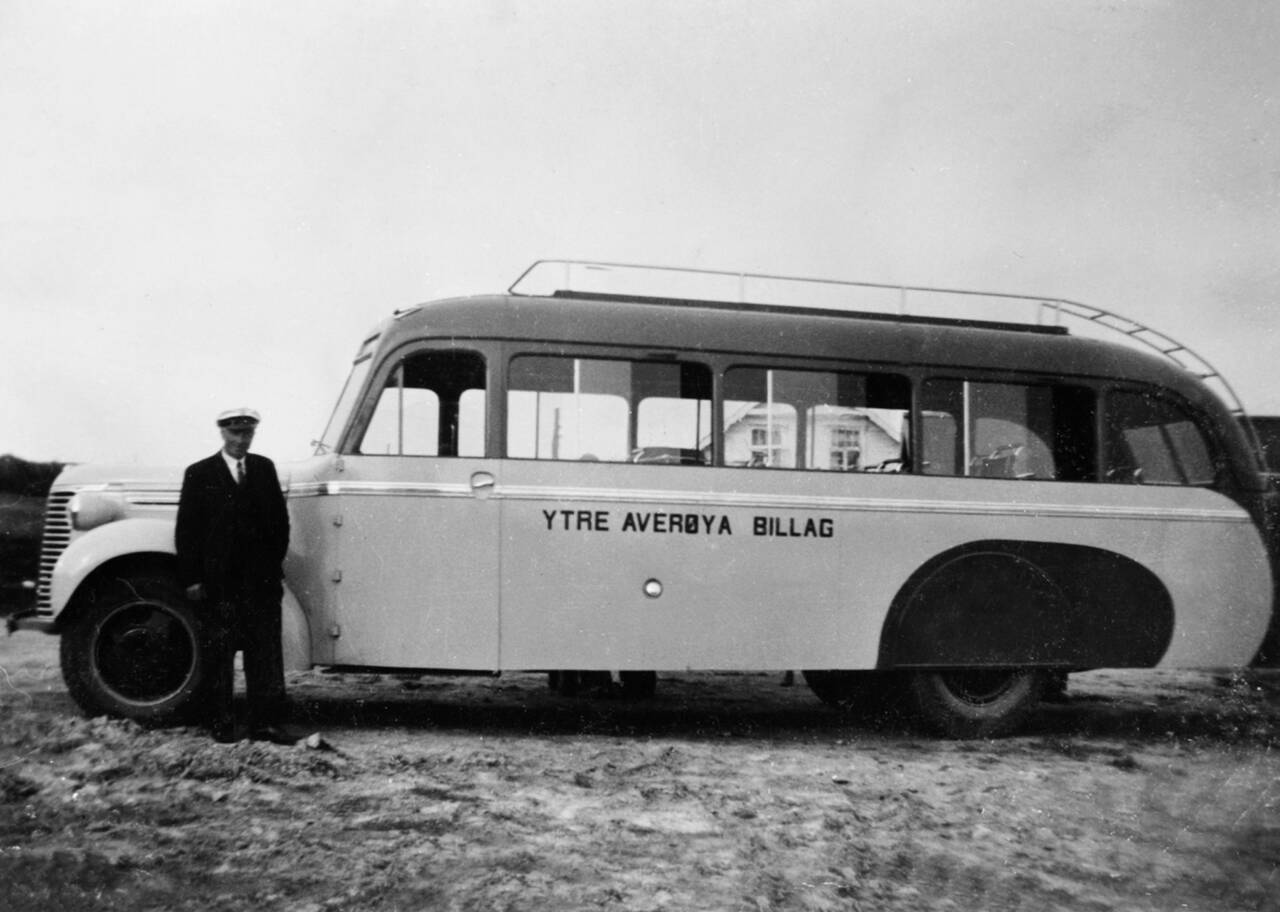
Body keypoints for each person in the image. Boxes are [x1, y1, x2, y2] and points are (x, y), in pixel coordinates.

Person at [175, 408, 294, 744]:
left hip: (261, 583)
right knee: (219, 654)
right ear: (223, 434)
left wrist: (272, 567)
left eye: (248, 434)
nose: (243, 440)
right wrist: (192, 579)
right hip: (219, 583)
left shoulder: (263, 469)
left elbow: (279, 524)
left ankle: (265, 725)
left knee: (265, 656)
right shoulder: (199, 473)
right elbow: (188, 531)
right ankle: (221, 723)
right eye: (236, 434)